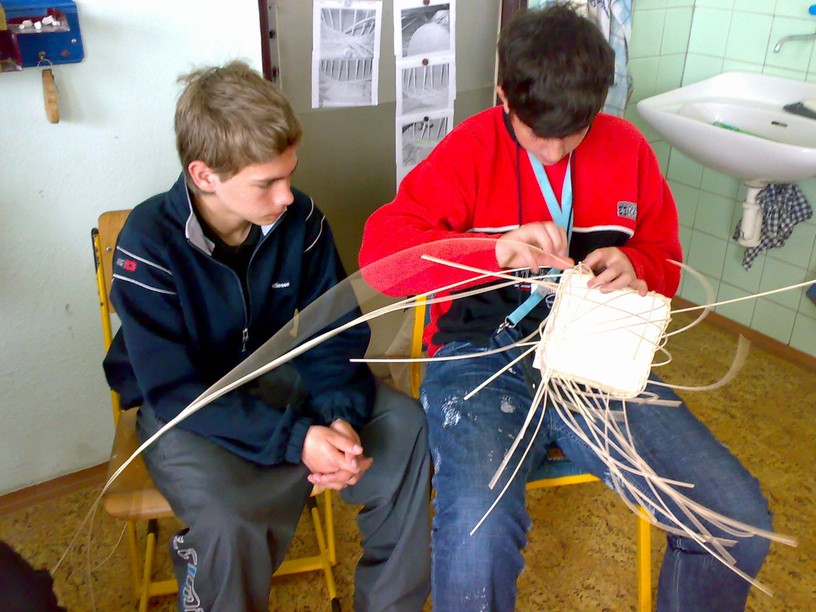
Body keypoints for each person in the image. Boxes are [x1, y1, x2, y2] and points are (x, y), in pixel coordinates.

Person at [359, 4, 772, 611]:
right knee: (476, 538)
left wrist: (639, 267)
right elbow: (381, 261)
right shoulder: (469, 150)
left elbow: (665, 260)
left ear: (598, 105)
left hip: (595, 351)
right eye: (536, 133)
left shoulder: (626, 149)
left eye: (572, 132)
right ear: (504, 97)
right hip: (483, 355)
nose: (553, 152)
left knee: (734, 522)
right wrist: (493, 250)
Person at [103, 60, 430, 611]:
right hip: (188, 408)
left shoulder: (302, 221)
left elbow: (333, 333)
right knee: (229, 520)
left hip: (277, 378)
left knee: (406, 428)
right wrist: (299, 440)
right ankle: (219, 553)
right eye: (266, 183)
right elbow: (175, 392)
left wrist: (341, 417)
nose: (287, 196)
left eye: (289, 174)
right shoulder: (148, 242)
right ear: (204, 176)